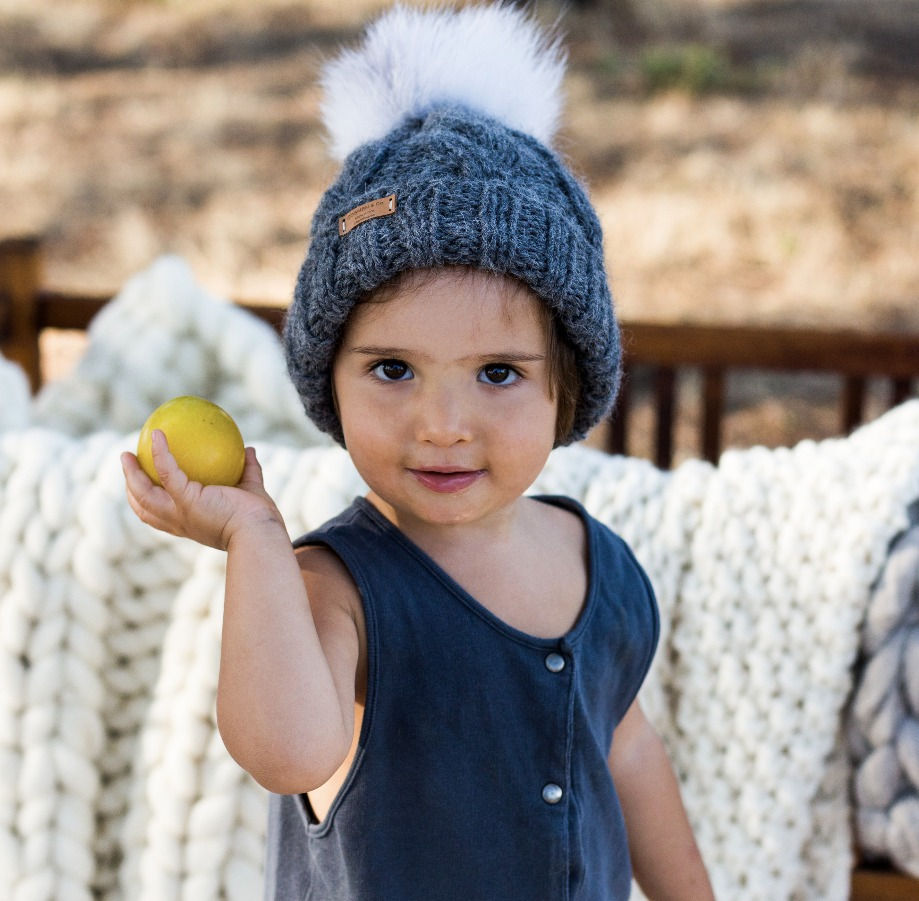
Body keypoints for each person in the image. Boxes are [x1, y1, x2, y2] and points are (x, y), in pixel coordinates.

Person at [122, 4, 714, 899]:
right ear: (332, 380)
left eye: (498, 374)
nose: (442, 423)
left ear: (567, 386)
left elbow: (624, 746)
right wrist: (254, 542)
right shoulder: (334, 589)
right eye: (394, 368)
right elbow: (287, 750)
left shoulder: (602, 569)